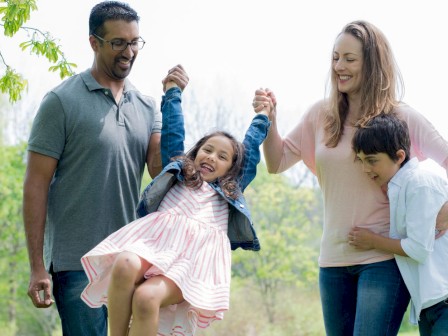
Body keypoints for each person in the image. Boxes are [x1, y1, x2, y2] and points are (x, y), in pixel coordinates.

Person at [253, 20, 448, 335]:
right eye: (335, 57)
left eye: (349, 59)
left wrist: (443, 214)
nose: (338, 67)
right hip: (332, 261)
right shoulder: (321, 115)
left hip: (384, 261)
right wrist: (270, 121)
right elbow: (276, 163)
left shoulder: (402, 117)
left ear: (371, 64)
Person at [79, 66, 271, 336]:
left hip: (191, 266)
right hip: (154, 247)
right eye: (207, 150)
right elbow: (172, 131)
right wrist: (172, 92)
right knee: (123, 264)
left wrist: (263, 116)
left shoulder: (230, 190)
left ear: (232, 168)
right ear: (195, 153)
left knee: (146, 298)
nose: (212, 157)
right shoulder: (180, 174)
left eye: (222, 156)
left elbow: (249, 149)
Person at [22, 2, 170, 335]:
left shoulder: (147, 106)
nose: (129, 52)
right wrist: (37, 268)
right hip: (76, 264)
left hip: (130, 261)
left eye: (135, 42)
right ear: (94, 42)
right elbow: (35, 185)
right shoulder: (61, 102)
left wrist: (172, 102)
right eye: (118, 42)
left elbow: (160, 170)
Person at [349, 113, 448, 336]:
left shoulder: (419, 184)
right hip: (430, 304)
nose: (365, 169)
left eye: (372, 160)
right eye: (361, 160)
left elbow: (418, 249)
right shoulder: (399, 187)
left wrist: (372, 241)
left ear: (399, 155)